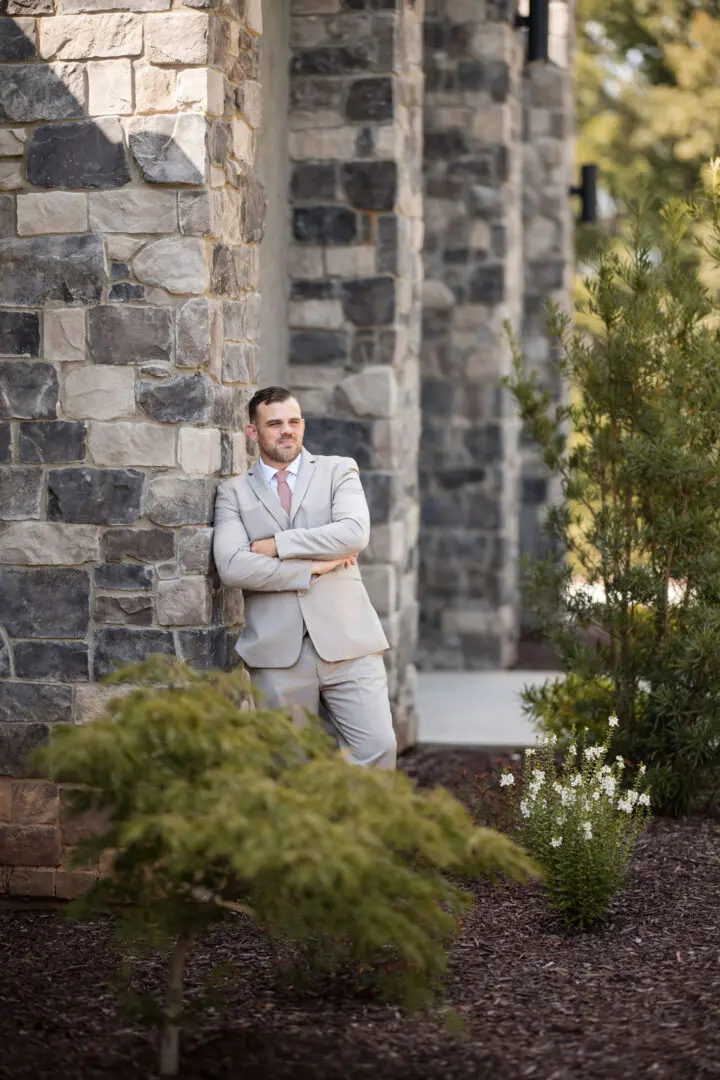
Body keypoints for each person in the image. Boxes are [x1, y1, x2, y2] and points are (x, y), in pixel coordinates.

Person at [213, 385, 397, 769]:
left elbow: (352, 534)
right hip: (277, 655)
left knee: (378, 747)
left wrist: (275, 544)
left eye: (294, 421)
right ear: (253, 433)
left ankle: (354, 829)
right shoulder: (232, 493)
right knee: (287, 767)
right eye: (275, 423)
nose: (287, 431)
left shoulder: (338, 470)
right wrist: (310, 567)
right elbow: (232, 566)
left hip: (350, 644)